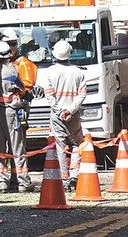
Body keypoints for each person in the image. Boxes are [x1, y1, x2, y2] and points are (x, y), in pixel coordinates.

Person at [0, 41, 33, 192]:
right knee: (17, 148)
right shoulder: (12, 71)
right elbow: (22, 89)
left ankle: (1, 183)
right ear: (8, 56)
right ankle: (23, 183)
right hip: (10, 112)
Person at [43, 39, 87, 191]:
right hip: (73, 115)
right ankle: (74, 175)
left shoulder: (49, 72)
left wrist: (59, 111)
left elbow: (49, 95)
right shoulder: (78, 72)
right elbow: (82, 95)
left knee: (61, 146)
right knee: (77, 144)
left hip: (57, 116)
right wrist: (71, 110)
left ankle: (64, 178)